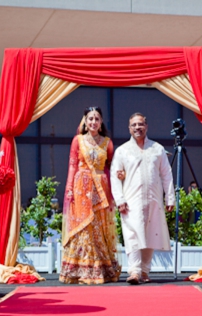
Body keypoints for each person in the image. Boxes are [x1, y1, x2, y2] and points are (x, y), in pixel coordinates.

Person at [111, 113, 175, 284]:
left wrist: (170, 198)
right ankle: (134, 271)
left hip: (153, 198)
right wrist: (120, 200)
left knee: (150, 234)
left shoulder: (157, 149)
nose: (137, 127)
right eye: (134, 125)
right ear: (129, 128)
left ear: (146, 126)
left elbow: (166, 174)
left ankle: (144, 271)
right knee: (132, 234)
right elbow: (115, 177)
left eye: (140, 124)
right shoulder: (122, 151)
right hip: (131, 201)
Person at [60, 106, 120, 285]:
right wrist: (69, 187)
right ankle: (79, 269)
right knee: (83, 226)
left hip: (101, 187)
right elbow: (72, 165)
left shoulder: (107, 143)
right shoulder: (78, 140)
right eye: (90, 119)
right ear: (85, 121)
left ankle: (100, 268)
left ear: (101, 123)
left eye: (97, 119)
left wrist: (111, 194)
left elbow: (110, 169)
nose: (93, 122)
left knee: (98, 225)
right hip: (81, 186)